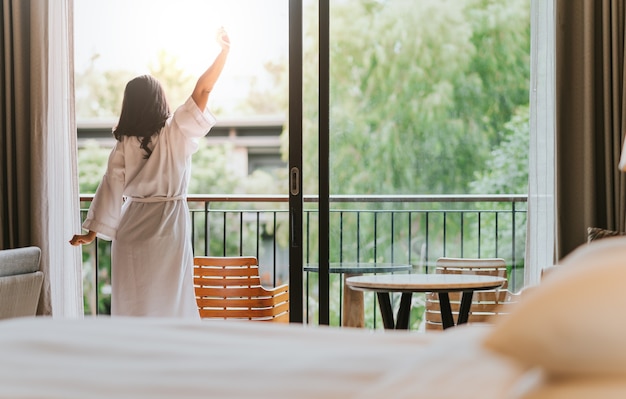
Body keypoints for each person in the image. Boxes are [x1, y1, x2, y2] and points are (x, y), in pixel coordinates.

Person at [70, 28, 230, 318]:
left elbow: (110, 188)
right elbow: (203, 89)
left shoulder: (124, 144)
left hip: (132, 229)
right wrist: (224, 52)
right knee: (171, 301)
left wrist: (91, 232)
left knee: (134, 302)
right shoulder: (176, 130)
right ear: (160, 99)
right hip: (169, 227)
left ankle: (133, 356)